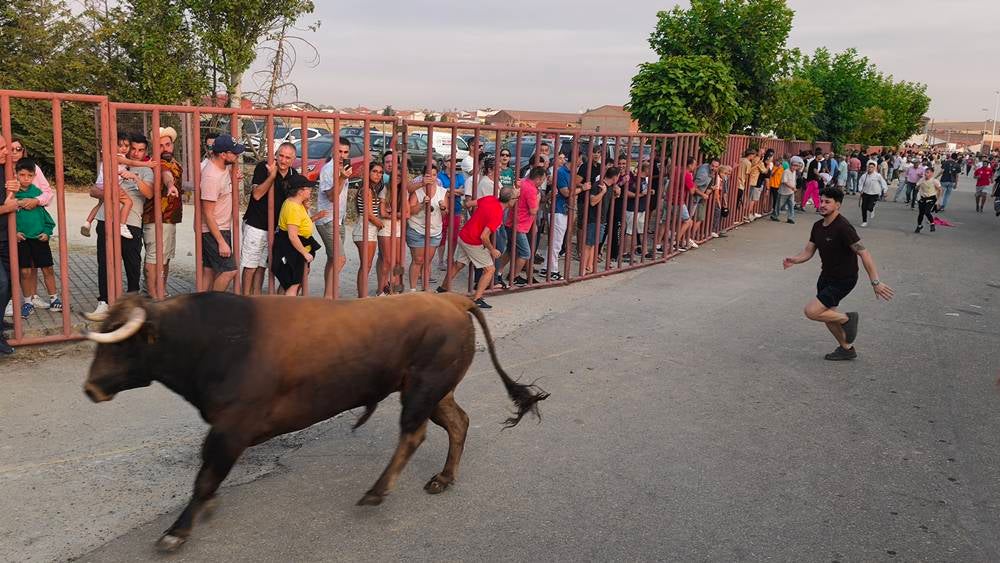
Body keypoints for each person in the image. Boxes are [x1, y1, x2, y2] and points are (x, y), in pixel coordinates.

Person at [783, 187, 895, 361]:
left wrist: (876, 282)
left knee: (812, 311)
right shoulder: (818, 226)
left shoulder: (843, 227)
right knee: (827, 316)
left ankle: (846, 319)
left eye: (827, 202)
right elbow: (808, 251)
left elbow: (864, 252)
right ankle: (847, 348)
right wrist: (794, 260)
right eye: (821, 201)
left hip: (844, 279)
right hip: (826, 277)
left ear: (838, 205)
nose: (822, 205)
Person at [84, 132, 152, 321]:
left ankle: (132, 301)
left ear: (145, 151)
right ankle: (104, 302)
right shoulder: (114, 163)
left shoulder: (146, 170)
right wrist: (107, 193)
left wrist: (134, 178)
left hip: (131, 223)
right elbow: (94, 190)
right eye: (133, 149)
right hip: (106, 218)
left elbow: (149, 194)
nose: (136, 153)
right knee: (105, 262)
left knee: (132, 263)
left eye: (141, 150)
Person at [436, 187, 516, 308]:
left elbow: (468, 204)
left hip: (464, 234)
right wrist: (492, 250)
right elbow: (484, 236)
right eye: (516, 198)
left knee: (458, 265)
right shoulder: (497, 214)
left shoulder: (490, 199)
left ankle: (442, 289)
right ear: (510, 200)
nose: (516, 200)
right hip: (473, 241)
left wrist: (478, 218)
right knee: (490, 270)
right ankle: (477, 299)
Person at [12, 159, 60, 318]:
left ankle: (54, 299)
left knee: (47, 269)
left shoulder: (37, 195)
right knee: (25, 272)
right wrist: (15, 232)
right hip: (22, 239)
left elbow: (48, 220)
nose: (25, 178)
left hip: (39, 239)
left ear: (34, 176)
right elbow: (9, 219)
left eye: (29, 175)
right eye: (22, 175)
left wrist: (47, 232)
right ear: (16, 175)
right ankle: (28, 302)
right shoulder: (12, 196)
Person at [81, 132, 148, 240]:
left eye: (126, 146)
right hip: (111, 185)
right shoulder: (118, 157)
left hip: (101, 184)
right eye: (120, 146)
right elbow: (131, 163)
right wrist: (147, 163)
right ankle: (122, 225)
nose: (124, 149)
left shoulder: (109, 155)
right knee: (128, 202)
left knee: (101, 203)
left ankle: (87, 222)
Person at [142, 127, 182, 298]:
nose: (165, 148)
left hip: (170, 219)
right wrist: (170, 185)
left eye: (167, 144)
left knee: (165, 257)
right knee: (154, 258)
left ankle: (161, 291)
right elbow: (166, 175)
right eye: (160, 145)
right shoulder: (157, 163)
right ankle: (153, 294)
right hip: (155, 218)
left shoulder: (176, 164)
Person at [199, 134, 242, 292]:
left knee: (209, 271)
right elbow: (208, 213)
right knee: (229, 270)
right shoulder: (212, 176)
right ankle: (215, 305)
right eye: (234, 153)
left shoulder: (222, 168)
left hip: (219, 228)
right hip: (214, 230)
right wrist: (221, 241)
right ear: (223, 155)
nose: (237, 156)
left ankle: (201, 310)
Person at [272, 176, 322, 296]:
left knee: (288, 284)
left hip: (293, 248)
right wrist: (305, 253)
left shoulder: (294, 203)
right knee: (293, 284)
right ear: (300, 191)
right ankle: (289, 313)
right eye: (308, 188)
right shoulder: (293, 207)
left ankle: (281, 309)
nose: (311, 190)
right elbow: (293, 236)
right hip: (292, 250)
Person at [316, 137, 351, 298]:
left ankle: (328, 295)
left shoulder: (343, 168)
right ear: (333, 151)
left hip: (339, 219)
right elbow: (331, 196)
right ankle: (328, 298)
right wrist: (342, 177)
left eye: (345, 152)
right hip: (327, 219)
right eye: (339, 151)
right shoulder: (328, 170)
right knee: (340, 259)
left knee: (332, 259)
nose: (342, 155)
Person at [498, 166, 543, 286]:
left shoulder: (522, 182)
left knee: (510, 250)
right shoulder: (532, 189)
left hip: (512, 222)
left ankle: (498, 273)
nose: (543, 182)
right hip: (519, 226)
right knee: (525, 253)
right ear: (538, 179)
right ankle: (514, 277)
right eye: (543, 179)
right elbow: (533, 211)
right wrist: (538, 199)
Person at [406, 163, 447, 291]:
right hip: (417, 229)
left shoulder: (442, 191)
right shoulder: (417, 191)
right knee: (418, 260)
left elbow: (445, 214)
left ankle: (425, 289)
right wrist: (422, 205)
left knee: (427, 261)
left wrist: (443, 208)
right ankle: (413, 290)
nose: (432, 178)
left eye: (434, 175)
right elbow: (410, 211)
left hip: (434, 231)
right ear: (423, 176)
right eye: (428, 175)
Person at [580, 166, 620, 272]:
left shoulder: (610, 187)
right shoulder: (599, 185)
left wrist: (617, 194)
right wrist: (602, 192)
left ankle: (589, 266)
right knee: (588, 244)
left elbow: (609, 199)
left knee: (594, 243)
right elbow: (592, 201)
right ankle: (583, 268)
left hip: (601, 219)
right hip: (593, 219)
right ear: (615, 177)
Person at [354, 162, 385, 297]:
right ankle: (361, 297)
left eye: (380, 172)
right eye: (375, 171)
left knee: (366, 265)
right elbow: (369, 214)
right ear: (368, 172)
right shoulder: (367, 189)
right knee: (365, 266)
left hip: (367, 228)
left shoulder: (371, 189)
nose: (378, 174)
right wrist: (381, 224)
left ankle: (362, 295)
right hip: (365, 228)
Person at [540, 153, 570, 280]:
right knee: (556, 242)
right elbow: (566, 192)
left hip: (561, 210)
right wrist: (581, 188)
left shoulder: (566, 172)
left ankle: (546, 267)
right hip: (557, 210)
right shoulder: (561, 172)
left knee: (555, 240)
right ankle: (553, 270)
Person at [0, 135, 17, 353]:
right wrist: (7, 207)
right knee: (1, 284)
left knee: (11, 284)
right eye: (2, 147)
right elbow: (7, 206)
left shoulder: (6, 169)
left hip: (6, 237)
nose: (7, 151)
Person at [675, 157, 700, 251]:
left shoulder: (677, 169)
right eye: (694, 165)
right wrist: (694, 184)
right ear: (689, 165)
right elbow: (692, 191)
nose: (695, 167)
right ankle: (676, 242)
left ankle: (673, 241)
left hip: (671, 198)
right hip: (678, 200)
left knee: (667, 221)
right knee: (688, 221)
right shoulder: (687, 174)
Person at [856, 161, 886, 227]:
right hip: (865, 192)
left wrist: (885, 190)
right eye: (869, 167)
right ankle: (864, 221)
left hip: (874, 193)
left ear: (874, 168)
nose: (870, 169)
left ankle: (872, 209)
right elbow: (860, 183)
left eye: (871, 167)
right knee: (863, 207)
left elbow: (883, 183)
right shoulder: (864, 176)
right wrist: (860, 190)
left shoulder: (878, 175)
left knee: (869, 207)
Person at [914, 167, 942, 233]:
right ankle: (919, 226)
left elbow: (940, 190)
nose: (926, 174)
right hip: (922, 198)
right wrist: (918, 186)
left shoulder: (934, 181)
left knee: (927, 212)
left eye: (928, 172)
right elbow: (916, 187)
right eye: (925, 172)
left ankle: (932, 224)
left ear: (932, 173)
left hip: (931, 199)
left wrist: (938, 201)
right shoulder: (922, 179)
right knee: (921, 213)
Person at [774, 156, 801, 223]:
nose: (795, 167)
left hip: (791, 192)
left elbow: (793, 181)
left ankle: (790, 218)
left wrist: (794, 187)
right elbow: (784, 181)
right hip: (783, 191)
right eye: (793, 165)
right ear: (791, 165)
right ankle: (774, 215)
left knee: (791, 205)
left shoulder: (794, 172)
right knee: (779, 204)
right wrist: (792, 187)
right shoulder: (786, 171)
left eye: (796, 166)